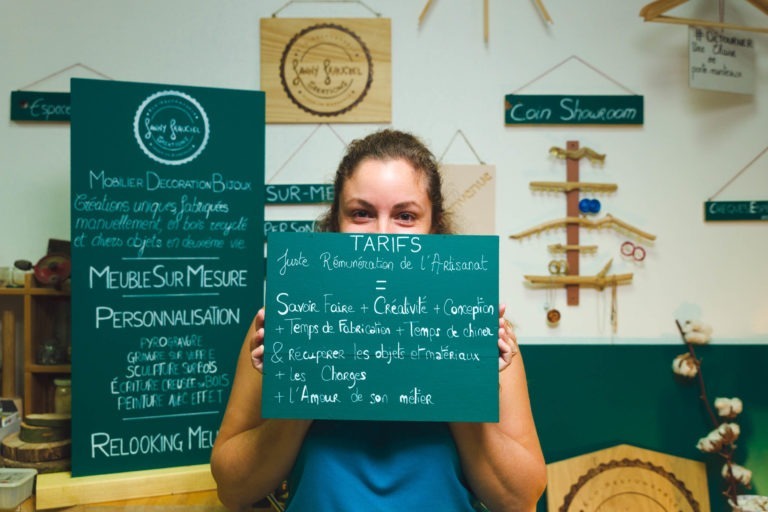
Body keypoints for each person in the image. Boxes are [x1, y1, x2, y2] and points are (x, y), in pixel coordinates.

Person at [210, 129, 546, 511]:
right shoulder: (282, 328)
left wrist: (460, 385)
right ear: (335, 222)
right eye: (361, 214)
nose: (382, 235)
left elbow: (521, 499)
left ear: (434, 226)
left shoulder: (480, 334)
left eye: (405, 216)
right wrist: (301, 385)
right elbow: (232, 489)